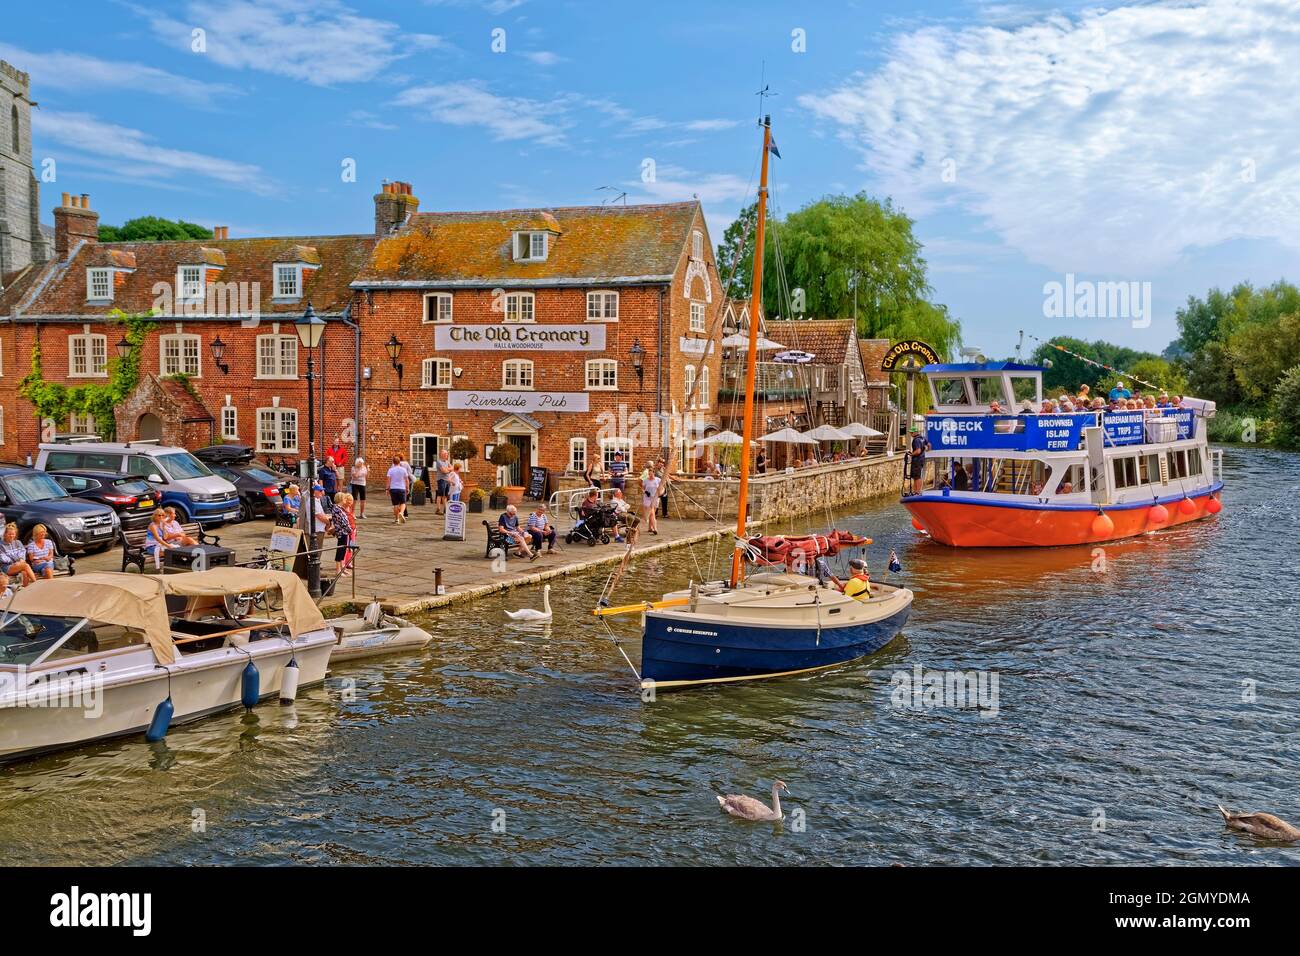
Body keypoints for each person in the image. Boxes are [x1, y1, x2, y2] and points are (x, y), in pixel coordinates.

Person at [331, 492, 354, 575]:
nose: (345, 500)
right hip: (342, 532)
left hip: (344, 532)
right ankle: (338, 570)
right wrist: (350, 529)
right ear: (341, 499)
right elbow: (343, 522)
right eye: (344, 498)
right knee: (340, 551)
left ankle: (342, 568)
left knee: (343, 551)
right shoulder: (337, 509)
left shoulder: (339, 508)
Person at [386, 456, 408, 524]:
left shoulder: (390, 470)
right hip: (402, 488)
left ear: (393, 462)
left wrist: (387, 489)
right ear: (399, 462)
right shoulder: (403, 469)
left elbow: (388, 480)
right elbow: (407, 480)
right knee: (403, 503)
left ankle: (397, 519)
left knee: (395, 504)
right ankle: (401, 512)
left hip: (393, 489)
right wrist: (408, 488)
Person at [909, 427, 930, 495]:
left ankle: (917, 492)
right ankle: (916, 491)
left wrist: (911, 454)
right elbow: (929, 444)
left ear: (916, 432)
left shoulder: (916, 440)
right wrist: (927, 450)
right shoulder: (922, 438)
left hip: (917, 460)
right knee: (917, 476)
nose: (911, 434)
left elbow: (918, 451)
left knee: (917, 476)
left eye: (912, 432)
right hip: (921, 459)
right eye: (910, 432)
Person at [641, 468, 661, 535]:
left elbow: (662, 487)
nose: (650, 475)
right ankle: (655, 529)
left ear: (653, 473)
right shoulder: (645, 480)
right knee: (652, 513)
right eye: (649, 474)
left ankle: (650, 528)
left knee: (652, 514)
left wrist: (660, 493)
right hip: (647, 498)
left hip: (655, 498)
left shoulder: (658, 480)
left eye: (651, 473)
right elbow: (643, 489)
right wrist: (645, 492)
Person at [434, 450, 453, 515]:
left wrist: (447, 469)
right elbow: (443, 471)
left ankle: (445, 509)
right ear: (442, 455)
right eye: (445, 454)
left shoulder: (447, 462)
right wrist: (448, 470)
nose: (446, 455)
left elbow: (452, 468)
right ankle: (438, 509)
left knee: (445, 496)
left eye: (447, 454)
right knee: (440, 494)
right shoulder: (439, 462)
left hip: (447, 480)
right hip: (441, 480)